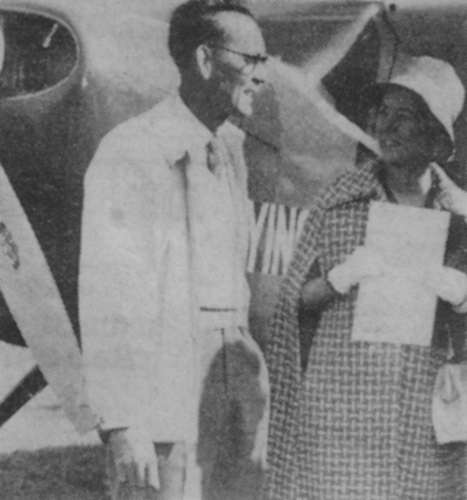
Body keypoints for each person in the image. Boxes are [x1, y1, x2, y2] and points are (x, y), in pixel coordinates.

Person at [79, 1, 269, 499]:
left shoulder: (230, 150)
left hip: (236, 382)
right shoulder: (132, 152)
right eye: (251, 60)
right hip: (168, 388)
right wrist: (123, 425)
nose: (260, 77)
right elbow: (109, 300)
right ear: (206, 61)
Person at [264, 55, 467, 500]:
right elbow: (294, 306)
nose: (385, 127)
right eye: (382, 112)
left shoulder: (461, 217)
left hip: (422, 417)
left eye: (405, 116)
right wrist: (338, 279)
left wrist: (463, 299)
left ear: (436, 138)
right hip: (344, 411)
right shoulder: (340, 200)